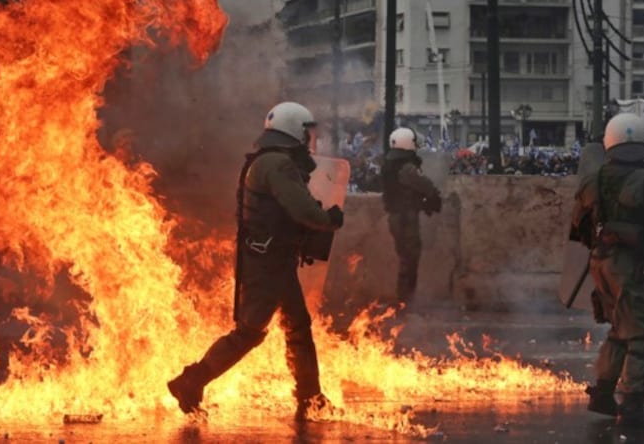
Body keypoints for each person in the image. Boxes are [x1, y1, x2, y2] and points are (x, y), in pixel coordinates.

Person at [167, 102, 344, 421]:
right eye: (306, 132)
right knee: (249, 332)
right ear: (294, 130)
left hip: (272, 260)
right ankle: (190, 381)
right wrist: (327, 218)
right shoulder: (278, 164)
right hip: (269, 264)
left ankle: (310, 397)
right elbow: (302, 209)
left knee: (298, 328)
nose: (310, 139)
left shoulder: (271, 161)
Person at [572, 113, 644, 428]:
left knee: (620, 329)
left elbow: (578, 227)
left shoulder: (593, 180)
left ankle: (602, 393)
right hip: (631, 266)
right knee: (641, 333)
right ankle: (632, 404)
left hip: (599, 262)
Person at [381, 127, 442, 306]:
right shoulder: (407, 167)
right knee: (410, 258)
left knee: (405, 257)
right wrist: (432, 197)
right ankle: (406, 300)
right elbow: (425, 185)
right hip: (406, 217)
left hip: (396, 216)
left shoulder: (389, 164)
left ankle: (405, 298)